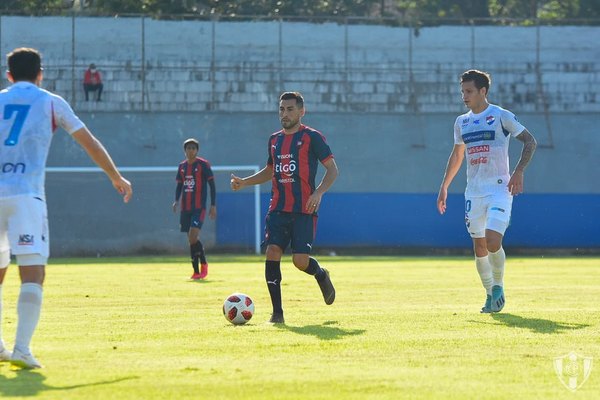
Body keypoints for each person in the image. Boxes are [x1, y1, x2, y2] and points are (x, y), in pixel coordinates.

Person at [0, 48, 132, 369]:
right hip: (27, 196)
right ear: (40, 73)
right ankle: (21, 349)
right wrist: (115, 176)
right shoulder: (51, 102)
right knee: (33, 271)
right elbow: (89, 142)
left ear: (9, 74)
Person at [230, 91, 338, 324]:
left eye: (290, 109)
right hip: (278, 208)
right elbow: (270, 171)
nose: (285, 113)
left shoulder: (312, 137)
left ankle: (320, 274)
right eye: (281, 109)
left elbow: (332, 170)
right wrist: (245, 182)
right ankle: (277, 313)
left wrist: (318, 192)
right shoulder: (274, 140)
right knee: (272, 252)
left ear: (301, 111)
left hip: (304, 209)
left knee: (300, 261)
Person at [437, 69, 537, 314]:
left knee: (493, 240)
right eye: (462, 92)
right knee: (479, 247)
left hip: (500, 190)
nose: (464, 96)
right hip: (474, 192)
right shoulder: (462, 122)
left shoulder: (500, 116)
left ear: (483, 91)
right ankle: (489, 293)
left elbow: (530, 141)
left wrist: (519, 171)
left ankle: (499, 286)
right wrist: (444, 186)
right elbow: (457, 154)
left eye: (469, 91)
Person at [172, 138, 216, 280]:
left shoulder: (203, 165)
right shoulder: (182, 167)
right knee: (191, 240)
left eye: (193, 148)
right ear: (184, 150)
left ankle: (203, 265)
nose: (190, 150)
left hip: (199, 208)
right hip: (186, 208)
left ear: (197, 150)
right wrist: (176, 201)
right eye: (188, 148)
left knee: (193, 237)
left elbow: (212, 185)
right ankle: (196, 272)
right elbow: (179, 186)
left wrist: (213, 205)